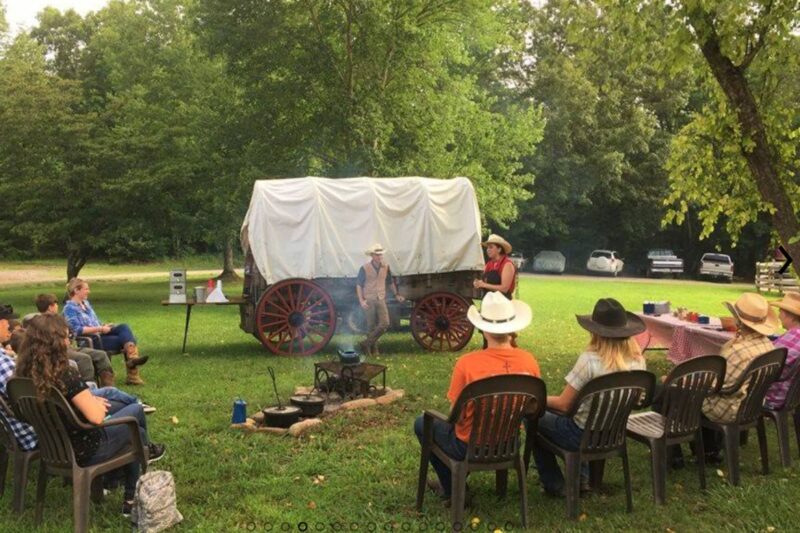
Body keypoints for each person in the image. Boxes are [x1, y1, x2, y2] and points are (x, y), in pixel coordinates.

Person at [15, 314, 165, 518]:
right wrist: (94, 406)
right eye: (66, 336)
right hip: (85, 448)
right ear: (54, 341)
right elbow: (96, 418)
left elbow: (27, 414)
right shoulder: (64, 372)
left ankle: (119, 485)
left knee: (131, 427)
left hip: (52, 448)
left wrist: (88, 404)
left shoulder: (22, 375)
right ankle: (132, 495)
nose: (69, 341)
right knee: (136, 418)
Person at [414, 291, 540, 506]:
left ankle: (454, 489)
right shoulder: (529, 361)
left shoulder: (467, 363)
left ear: (482, 328)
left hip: (469, 446)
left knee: (421, 424)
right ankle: (455, 485)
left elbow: (456, 415)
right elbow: (532, 409)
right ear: (513, 327)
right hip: (510, 443)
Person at [532, 298, 646, 497]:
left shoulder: (590, 361)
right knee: (574, 414)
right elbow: (638, 402)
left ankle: (555, 484)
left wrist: (537, 400)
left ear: (594, 331)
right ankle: (582, 480)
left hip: (580, 436)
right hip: (613, 435)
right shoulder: (638, 362)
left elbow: (564, 405)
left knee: (534, 416)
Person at [700, 293, 778, 459]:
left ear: (738, 319)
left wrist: (689, 382)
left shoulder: (738, 351)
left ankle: (676, 455)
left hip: (730, 409)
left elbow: (719, 386)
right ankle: (709, 450)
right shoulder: (768, 345)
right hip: (753, 406)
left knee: (673, 396)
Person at [62, 278, 149, 385]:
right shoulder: (69, 308)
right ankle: (132, 373)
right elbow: (77, 330)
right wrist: (100, 329)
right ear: (76, 290)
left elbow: (95, 321)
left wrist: (103, 325)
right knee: (129, 339)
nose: (89, 291)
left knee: (124, 327)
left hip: (101, 334)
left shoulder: (86, 304)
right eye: (86, 289)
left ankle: (132, 359)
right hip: (92, 339)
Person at [35, 293, 117, 387]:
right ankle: (89, 388)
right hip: (57, 350)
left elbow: (71, 331)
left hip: (70, 347)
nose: (57, 306)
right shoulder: (40, 322)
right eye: (56, 304)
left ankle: (109, 387)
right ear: (50, 307)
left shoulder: (58, 319)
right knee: (84, 359)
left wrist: (69, 337)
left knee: (101, 355)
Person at [0, 304, 38, 453]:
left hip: (19, 427)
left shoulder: (4, 357)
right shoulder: (3, 363)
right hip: (38, 432)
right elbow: (33, 399)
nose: (9, 325)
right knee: (109, 397)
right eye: (6, 322)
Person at [355, 244, 405, 356]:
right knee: (371, 325)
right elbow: (359, 285)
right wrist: (361, 301)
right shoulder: (364, 268)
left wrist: (396, 294)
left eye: (380, 254)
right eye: (377, 254)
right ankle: (372, 350)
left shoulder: (386, 267)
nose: (379, 256)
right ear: (372, 256)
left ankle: (366, 343)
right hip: (369, 299)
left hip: (381, 298)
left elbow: (390, 282)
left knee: (385, 323)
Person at [765, 293, 800, 408]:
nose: (779, 316)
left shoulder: (794, 336)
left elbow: (765, 362)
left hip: (772, 396)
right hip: (791, 395)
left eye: (780, 311)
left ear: (790, 315)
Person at [473, 234, 516, 299]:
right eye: (487, 247)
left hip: (503, 303)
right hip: (488, 302)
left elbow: (504, 288)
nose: (487, 250)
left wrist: (484, 285)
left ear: (499, 249)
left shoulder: (507, 264)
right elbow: (485, 282)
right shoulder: (489, 264)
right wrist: (479, 283)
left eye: (491, 247)